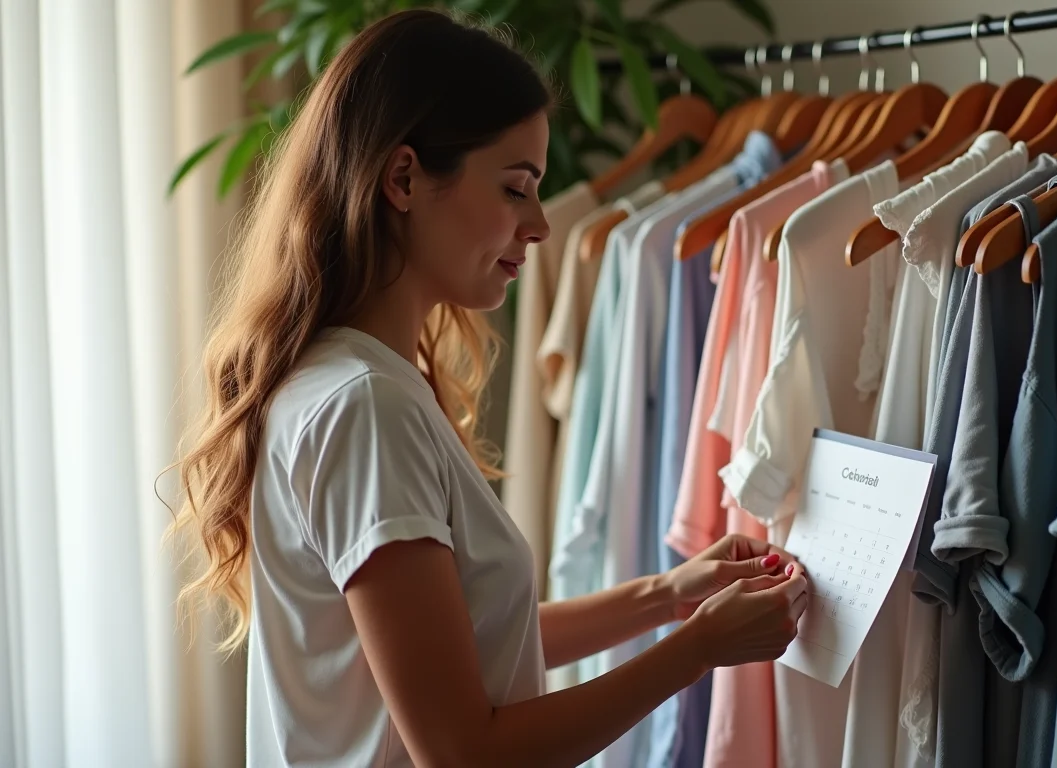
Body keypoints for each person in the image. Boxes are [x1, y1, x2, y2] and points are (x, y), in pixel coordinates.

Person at [170, 9, 810, 767]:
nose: (540, 224)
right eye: (515, 189)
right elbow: (464, 752)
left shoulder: (347, 381)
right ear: (404, 178)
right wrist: (696, 648)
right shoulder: (366, 406)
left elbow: (459, 642)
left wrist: (667, 596)